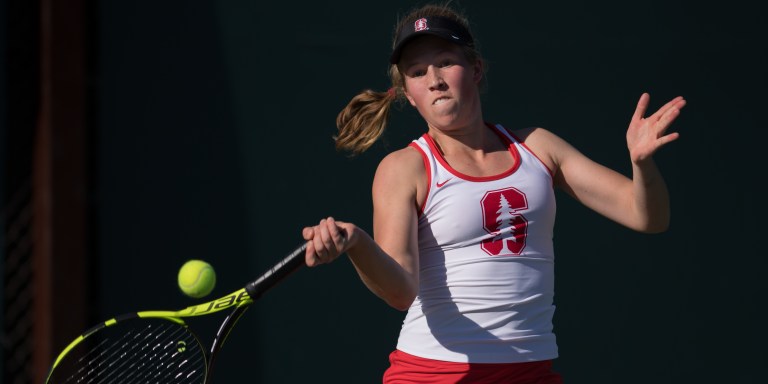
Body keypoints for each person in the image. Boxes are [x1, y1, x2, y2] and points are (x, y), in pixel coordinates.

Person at [302, 2, 686, 383]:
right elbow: (400, 292)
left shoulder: (539, 147)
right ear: (409, 94)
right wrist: (356, 243)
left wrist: (641, 164)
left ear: (475, 68)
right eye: (417, 72)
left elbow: (647, 216)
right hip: (434, 375)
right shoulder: (404, 168)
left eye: (446, 62)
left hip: (530, 372)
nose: (434, 78)